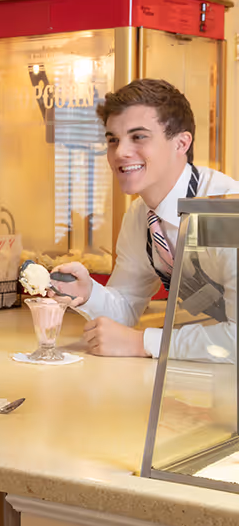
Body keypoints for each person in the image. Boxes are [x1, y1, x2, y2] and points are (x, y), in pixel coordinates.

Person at [52, 79, 238, 362]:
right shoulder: (141, 217)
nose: (120, 152)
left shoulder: (223, 212)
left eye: (138, 137)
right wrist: (87, 292)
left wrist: (142, 343)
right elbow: (125, 308)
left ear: (181, 143)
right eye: (113, 139)